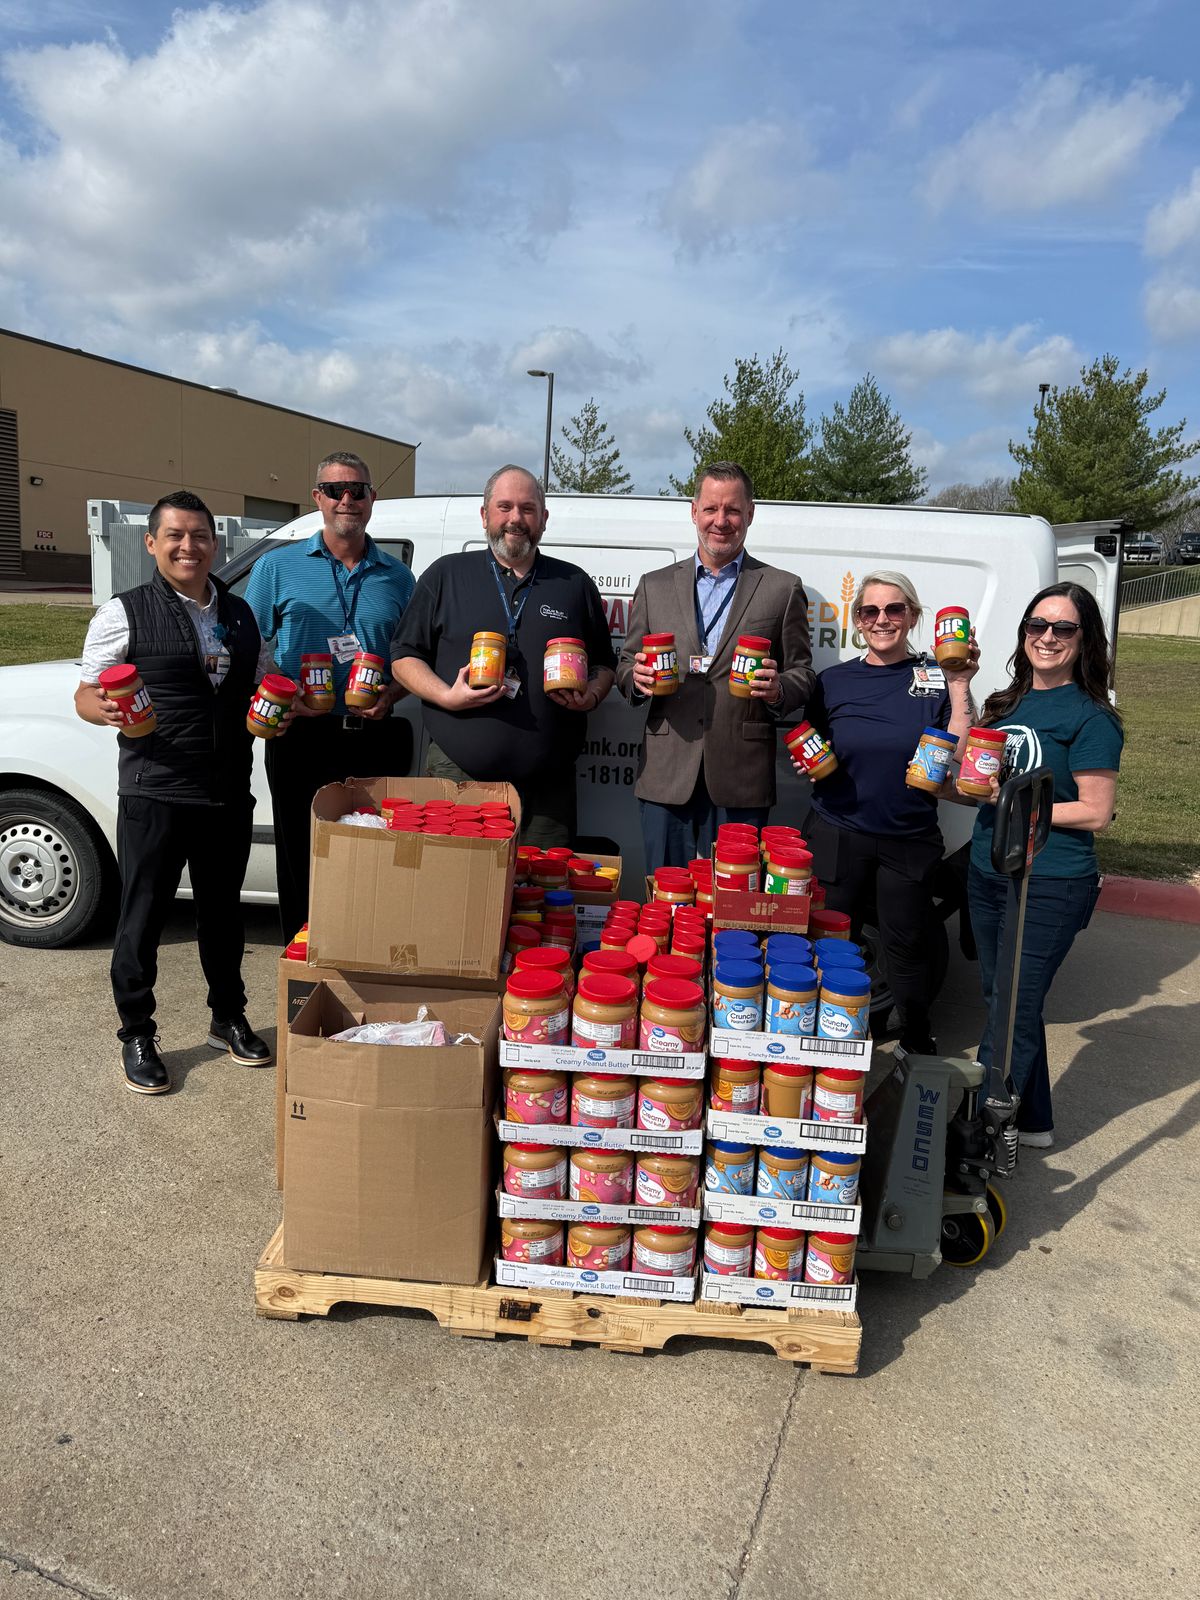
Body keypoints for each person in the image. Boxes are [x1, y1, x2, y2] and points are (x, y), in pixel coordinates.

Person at [74, 490, 276, 1095]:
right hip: (154, 790)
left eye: (201, 537)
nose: (189, 546)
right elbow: (86, 694)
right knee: (142, 918)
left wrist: (275, 712)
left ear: (216, 544)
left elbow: (261, 683)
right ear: (153, 543)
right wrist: (103, 708)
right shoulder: (123, 612)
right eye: (177, 536)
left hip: (224, 793)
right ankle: (137, 1032)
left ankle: (227, 1017)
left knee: (223, 916)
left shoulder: (239, 615)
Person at [796, 571, 979, 1059]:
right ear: (858, 621)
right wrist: (804, 761)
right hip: (837, 832)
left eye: (894, 610)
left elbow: (960, 755)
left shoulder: (937, 678)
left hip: (908, 838)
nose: (882, 620)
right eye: (871, 611)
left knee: (906, 949)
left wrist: (959, 683)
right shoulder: (833, 681)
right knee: (831, 942)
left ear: (913, 617)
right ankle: (818, 1045)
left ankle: (918, 1045)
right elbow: (807, 744)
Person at [966, 582, 1122, 1149]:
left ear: (1085, 641)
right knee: (1003, 1000)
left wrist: (1011, 801)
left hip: (1049, 880)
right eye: (1037, 625)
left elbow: (1096, 811)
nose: (1047, 637)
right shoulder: (1007, 705)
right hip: (989, 871)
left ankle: (985, 1137)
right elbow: (975, 779)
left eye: (1063, 628)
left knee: (1013, 1007)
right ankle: (1032, 1122)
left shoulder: (1092, 717)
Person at [390, 464, 615, 848]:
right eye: (505, 507)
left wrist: (591, 694)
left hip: (548, 788)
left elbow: (605, 664)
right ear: (485, 515)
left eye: (527, 509)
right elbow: (402, 656)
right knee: (458, 887)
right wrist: (446, 695)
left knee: (541, 896)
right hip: (458, 776)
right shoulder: (446, 575)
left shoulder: (573, 583)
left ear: (543, 519)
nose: (515, 519)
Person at [246, 450, 415, 941]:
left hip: (374, 736)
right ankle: (301, 967)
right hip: (302, 735)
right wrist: (277, 696)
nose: (347, 499)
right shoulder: (278, 567)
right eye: (336, 490)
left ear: (371, 500)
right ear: (317, 497)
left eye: (357, 490)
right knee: (300, 855)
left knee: (372, 855)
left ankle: (361, 958)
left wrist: (397, 693)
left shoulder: (398, 577)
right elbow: (247, 646)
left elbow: (415, 654)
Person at [615, 462, 814, 872]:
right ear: (694, 512)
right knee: (666, 901)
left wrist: (779, 689)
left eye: (733, 510)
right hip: (667, 774)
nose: (720, 521)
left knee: (732, 906)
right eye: (710, 509)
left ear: (750, 514)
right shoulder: (654, 585)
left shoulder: (781, 587)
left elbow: (803, 673)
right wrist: (635, 680)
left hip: (741, 779)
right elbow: (623, 664)